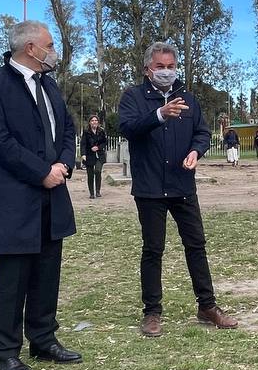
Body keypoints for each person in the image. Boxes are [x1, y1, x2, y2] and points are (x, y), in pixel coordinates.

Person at [0, 20, 81, 370]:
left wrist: (63, 164)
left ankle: (43, 339)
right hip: (12, 197)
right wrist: (41, 171)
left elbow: (67, 129)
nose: (54, 51)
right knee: (13, 276)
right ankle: (5, 352)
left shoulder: (50, 85)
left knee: (47, 271)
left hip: (52, 193)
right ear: (31, 48)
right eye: (50, 45)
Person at [118, 41, 238, 338]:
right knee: (153, 249)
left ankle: (207, 306)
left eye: (171, 66)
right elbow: (128, 128)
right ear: (147, 69)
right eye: (160, 67)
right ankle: (152, 312)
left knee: (196, 245)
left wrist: (196, 151)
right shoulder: (133, 97)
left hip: (182, 184)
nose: (166, 72)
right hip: (149, 188)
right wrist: (159, 114)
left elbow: (202, 132)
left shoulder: (188, 99)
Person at [81, 114, 107, 199]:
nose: (94, 122)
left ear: (98, 122)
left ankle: (98, 191)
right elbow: (83, 144)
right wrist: (83, 154)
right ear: (89, 122)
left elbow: (104, 142)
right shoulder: (86, 132)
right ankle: (92, 193)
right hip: (89, 155)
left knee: (98, 171)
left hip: (99, 155)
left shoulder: (101, 131)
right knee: (90, 174)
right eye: (92, 120)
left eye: (96, 120)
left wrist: (98, 147)